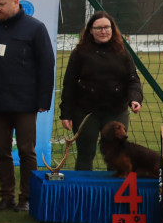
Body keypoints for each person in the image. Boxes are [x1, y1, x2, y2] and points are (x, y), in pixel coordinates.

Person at [0, 0, 55, 213]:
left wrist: (43, 101)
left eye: (1, 4)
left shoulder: (35, 28)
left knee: (27, 151)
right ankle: (6, 196)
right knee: (1, 151)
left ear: (15, 2)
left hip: (25, 102)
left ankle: (26, 197)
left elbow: (46, 66)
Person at [59, 11, 143, 170]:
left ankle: (114, 192)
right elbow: (69, 83)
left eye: (106, 27)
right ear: (90, 30)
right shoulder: (79, 52)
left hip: (116, 110)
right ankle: (83, 191)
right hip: (86, 111)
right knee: (85, 153)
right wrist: (66, 114)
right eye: (98, 28)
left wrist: (135, 99)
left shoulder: (123, 52)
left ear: (113, 29)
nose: (103, 31)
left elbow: (133, 80)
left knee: (116, 154)